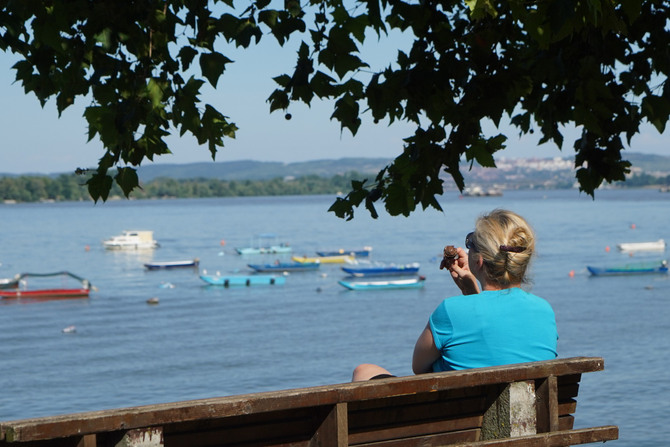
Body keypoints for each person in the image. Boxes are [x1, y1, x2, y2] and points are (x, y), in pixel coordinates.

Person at [352, 209, 558, 381]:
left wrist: (470, 298)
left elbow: (419, 366)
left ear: (478, 262)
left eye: (471, 243)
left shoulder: (450, 311)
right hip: (527, 424)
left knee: (364, 372)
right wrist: (472, 294)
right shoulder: (545, 311)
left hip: (457, 426)